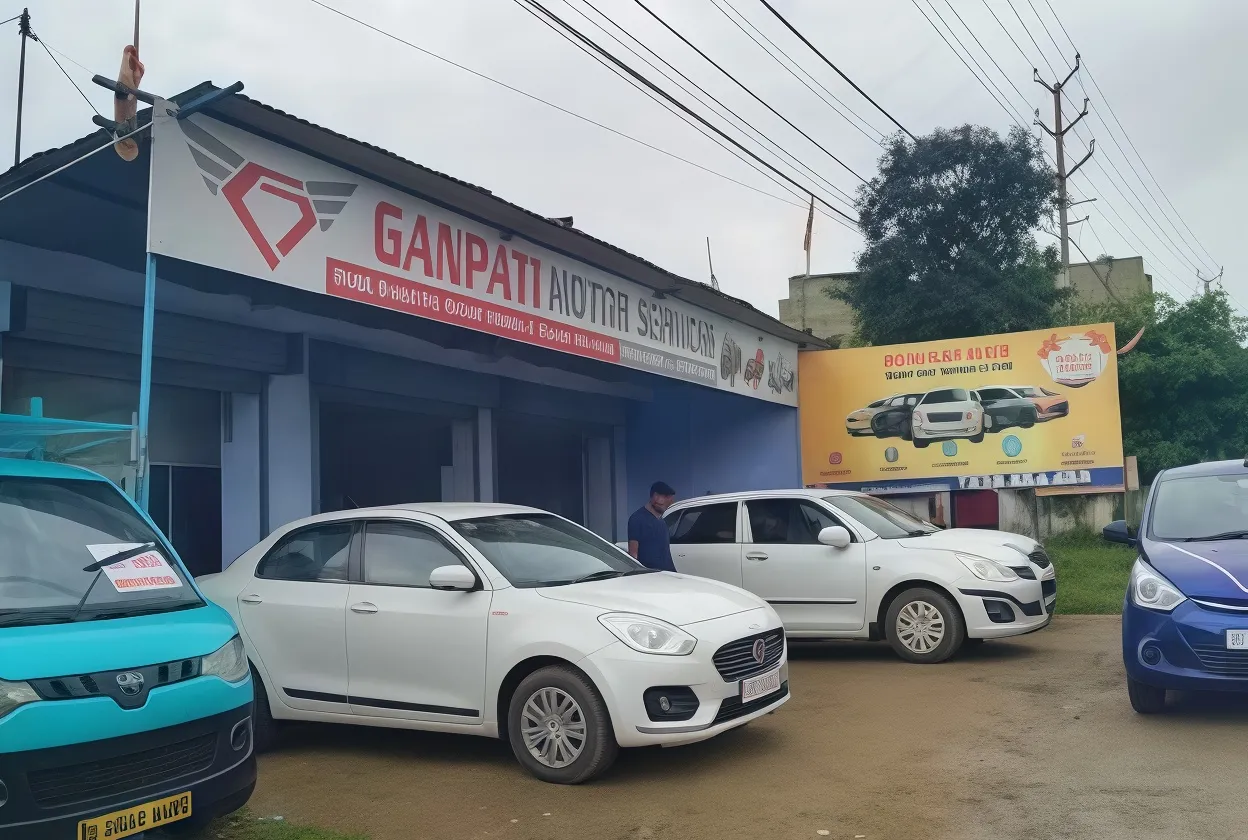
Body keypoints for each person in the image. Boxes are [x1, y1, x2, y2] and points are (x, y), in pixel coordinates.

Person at [628, 481, 677, 571]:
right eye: (666, 498)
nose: (670, 503)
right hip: (649, 578)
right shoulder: (637, 519)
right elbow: (633, 556)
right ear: (655, 497)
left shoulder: (662, 522)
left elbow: (666, 556)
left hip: (666, 577)